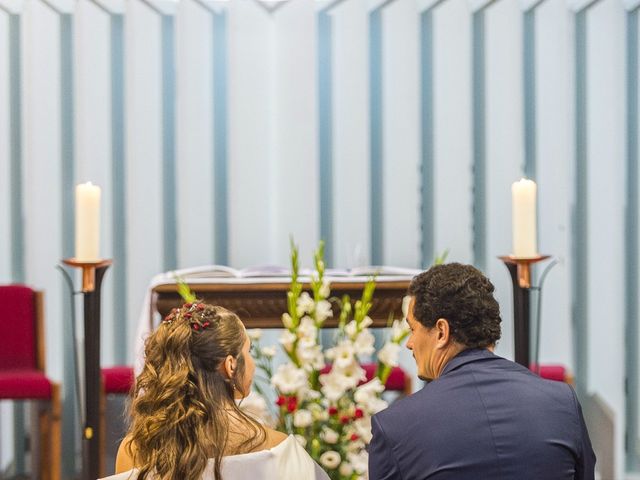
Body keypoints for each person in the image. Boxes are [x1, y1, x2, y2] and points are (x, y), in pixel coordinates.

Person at [368, 263, 596, 480]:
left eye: (412, 328)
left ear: (441, 332)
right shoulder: (562, 403)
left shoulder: (395, 426)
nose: (409, 343)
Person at [108, 303, 329, 480]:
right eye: (248, 350)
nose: (251, 362)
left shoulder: (135, 449)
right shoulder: (276, 449)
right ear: (230, 365)